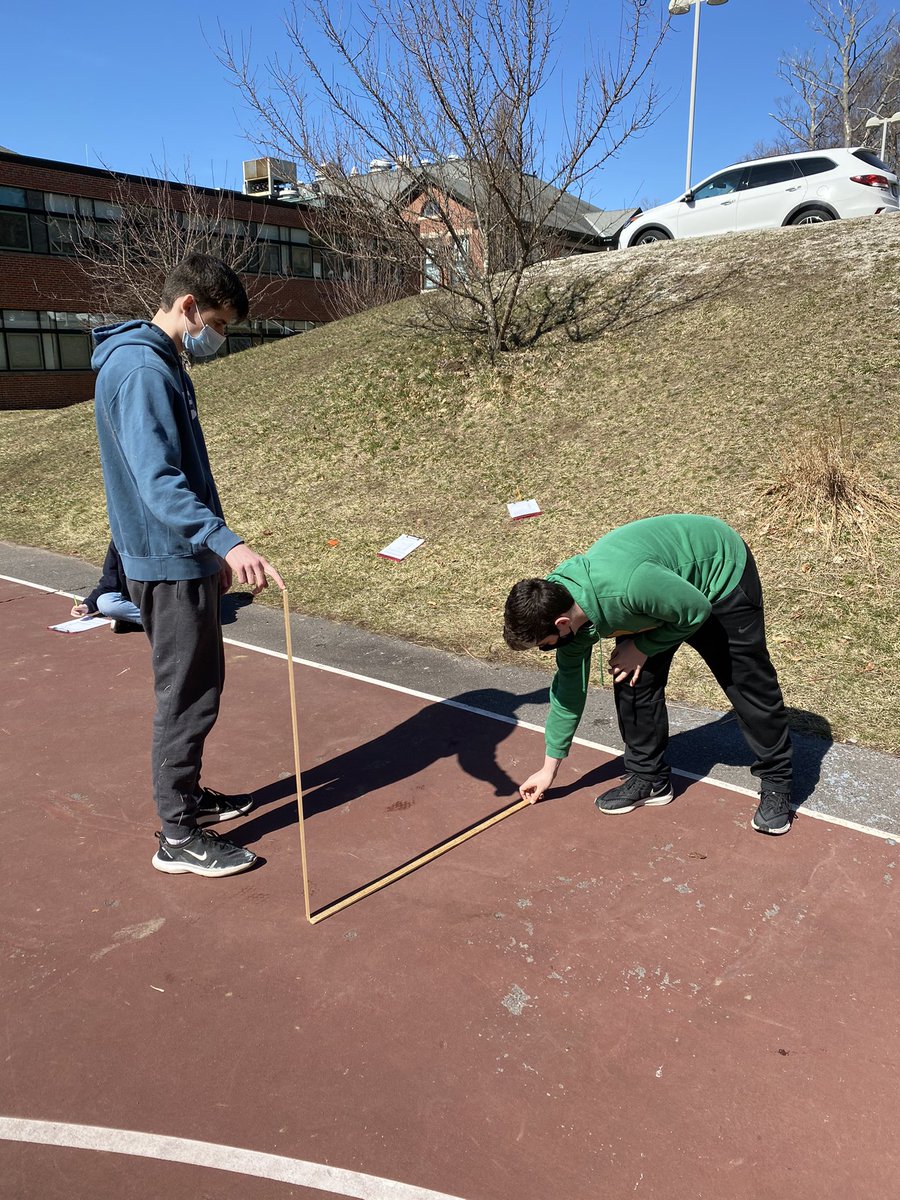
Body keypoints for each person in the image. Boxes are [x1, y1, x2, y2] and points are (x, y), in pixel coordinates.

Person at [92, 253, 285, 878]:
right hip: (167, 562)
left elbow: (186, 473)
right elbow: (159, 482)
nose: (218, 338)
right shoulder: (142, 369)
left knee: (200, 686)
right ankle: (176, 835)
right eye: (219, 324)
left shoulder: (157, 361)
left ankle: (189, 799)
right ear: (188, 308)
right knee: (188, 695)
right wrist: (226, 542)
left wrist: (211, 553)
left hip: (183, 556)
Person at [503, 514, 793, 835]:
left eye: (545, 646)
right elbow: (568, 694)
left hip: (717, 575)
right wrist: (548, 770)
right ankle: (649, 777)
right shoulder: (567, 615)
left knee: (746, 680)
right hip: (661, 592)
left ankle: (778, 782)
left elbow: (696, 609)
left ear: (560, 623)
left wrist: (642, 646)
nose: (548, 650)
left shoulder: (628, 588)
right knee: (631, 677)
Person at [71, 539, 142, 632]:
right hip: (134, 598)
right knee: (105, 602)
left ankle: (148, 620)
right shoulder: (118, 541)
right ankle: (151, 619)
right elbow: (109, 582)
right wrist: (88, 605)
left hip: (160, 597)